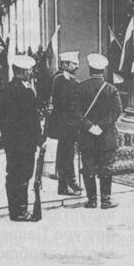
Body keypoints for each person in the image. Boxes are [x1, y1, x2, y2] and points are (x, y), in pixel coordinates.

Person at [0, 55, 44, 222]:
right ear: (22, 72)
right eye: (29, 70)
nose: (31, 73)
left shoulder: (6, 90)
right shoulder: (26, 93)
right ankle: (21, 211)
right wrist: (39, 139)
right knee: (23, 175)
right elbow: (32, 121)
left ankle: (15, 211)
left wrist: (8, 138)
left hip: (12, 142)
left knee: (13, 174)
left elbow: (2, 119)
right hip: (25, 143)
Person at [72, 53, 122, 209]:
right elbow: (116, 111)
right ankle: (105, 200)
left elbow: (75, 111)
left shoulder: (80, 88)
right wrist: (101, 126)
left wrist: (89, 126)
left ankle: (92, 200)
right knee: (106, 168)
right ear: (103, 70)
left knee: (88, 168)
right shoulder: (111, 89)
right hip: (106, 136)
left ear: (90, 69)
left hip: (87, 136)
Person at [45, 51, 82, 196]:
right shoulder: (60, 80)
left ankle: (70, 181)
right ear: (65, 64)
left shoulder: (70, 80)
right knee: (65, 155)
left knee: (68, 154)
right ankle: (65, 185)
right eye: (74, 64)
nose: (77, 66)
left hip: (69, 124)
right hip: (64, 124)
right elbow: (63, 103)